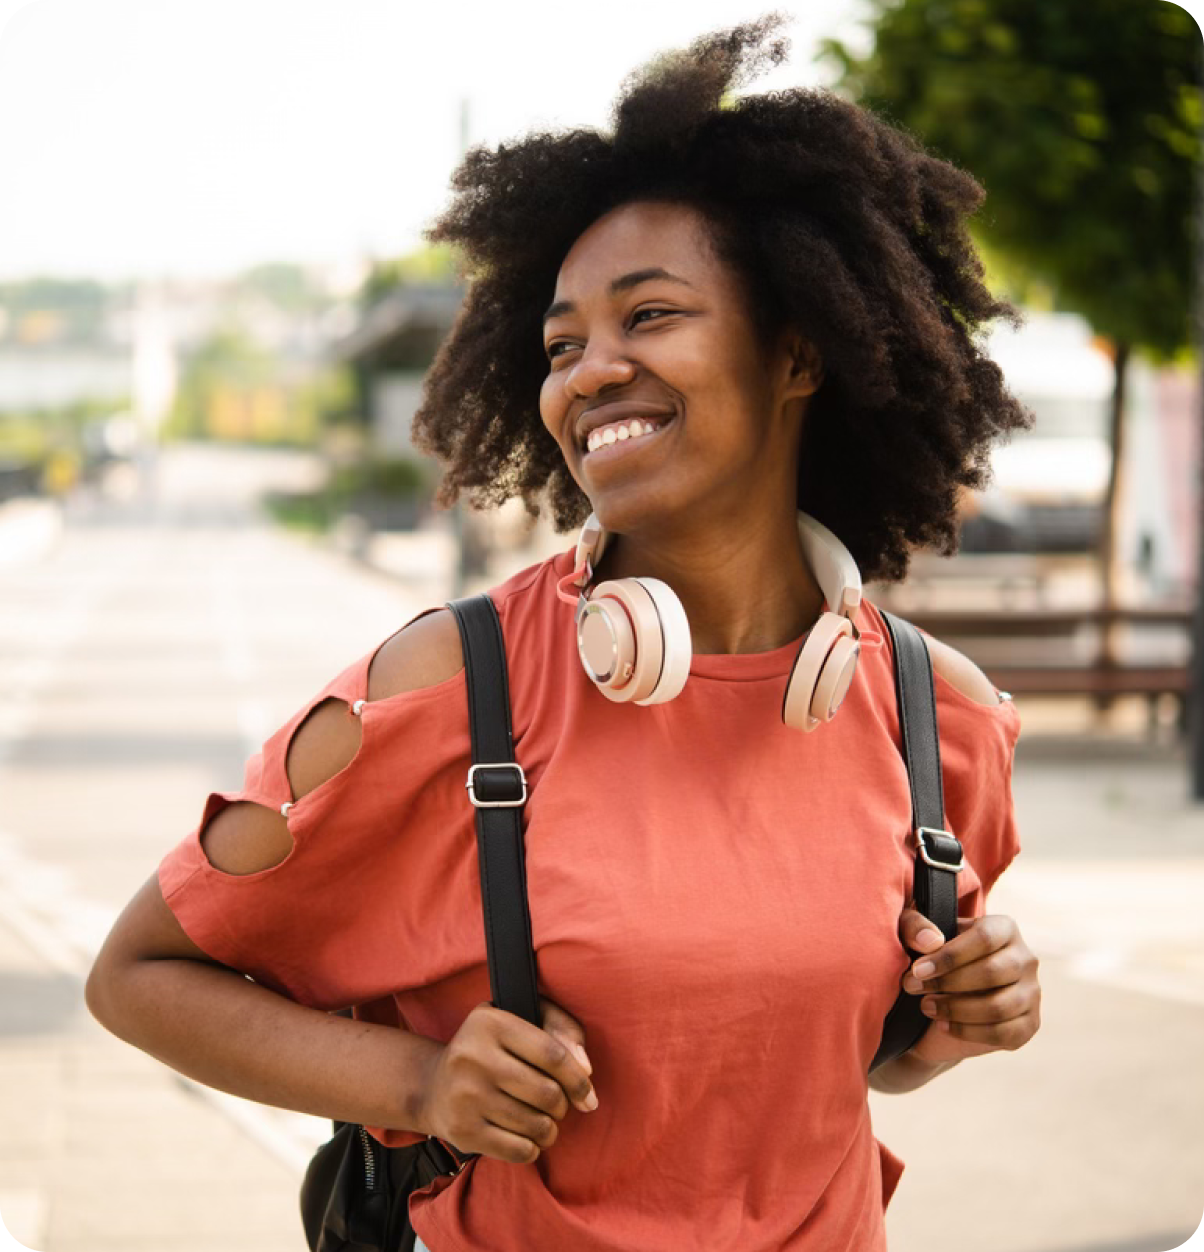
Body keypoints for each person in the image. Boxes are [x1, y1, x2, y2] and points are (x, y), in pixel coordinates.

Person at [86, 16, 1042, 1251]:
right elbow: (139, 976)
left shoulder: (937, 719)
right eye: (559, 344)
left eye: (649, 317)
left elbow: (855, 1067)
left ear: (798, 351)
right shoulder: (446, 687)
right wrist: (422, 1086)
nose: (588, 371)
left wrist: (958, 1017)